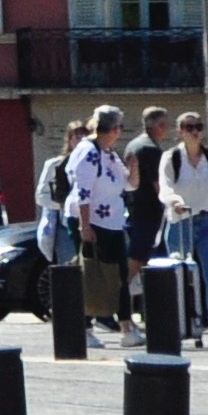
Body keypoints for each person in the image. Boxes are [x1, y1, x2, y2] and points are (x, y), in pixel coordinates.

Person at [157, 113, 208, 342]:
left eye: (198, 126)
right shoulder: (171, 158)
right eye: (189, 127)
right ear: (180, 131)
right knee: (179, 277)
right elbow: (165, 187)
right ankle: (179, 327)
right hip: (181, 222)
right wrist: (175, 201)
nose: (194, 131)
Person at [63, 109, 136, 338]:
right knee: (92, 275)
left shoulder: (109, 153)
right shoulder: (88, 152)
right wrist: (85, 226)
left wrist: (134, 167)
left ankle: (126, 327)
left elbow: (129, 185)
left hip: (112, 223)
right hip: (93, 222)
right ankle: (83, 328)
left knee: (119, 275)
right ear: (114, 130)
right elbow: (83, 192)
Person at [124, 105, 174, 268]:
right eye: (165, 124)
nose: (167, 128)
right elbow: (158, 185)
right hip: (149, 212)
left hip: (134, 209)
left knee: (141, 256)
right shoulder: (151, 150)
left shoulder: (133, 144)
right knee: (139, 256)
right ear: (159, 126)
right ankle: (122, 290)